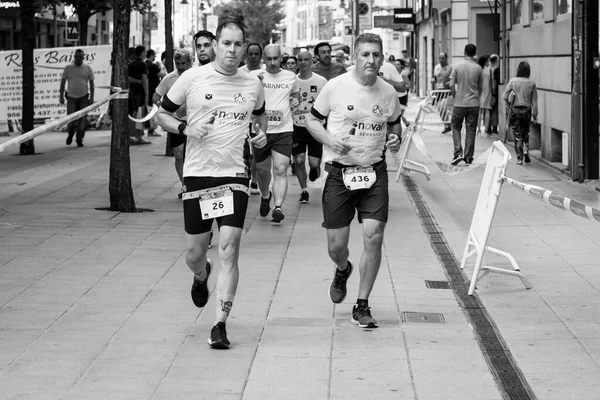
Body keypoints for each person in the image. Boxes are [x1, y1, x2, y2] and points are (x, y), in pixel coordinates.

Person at [155, 18, 268, 350]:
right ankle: (201, 273)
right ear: (216, 45)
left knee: (230, 250)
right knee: (194, 253)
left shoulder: (252, 84)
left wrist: (259, 133)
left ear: (245, 49)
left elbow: (259, 117)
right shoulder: (192, 78)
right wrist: (183, 129)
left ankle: (219, 324)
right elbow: (162, 114)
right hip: (198, 175)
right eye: (227, 44)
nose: (233, 51)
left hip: (234, 175)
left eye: (239, 45)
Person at [305, 33, 402, 329]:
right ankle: (342, 268)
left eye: (376, 55)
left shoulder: (388, 93)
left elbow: (395, 123)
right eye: (365, 54)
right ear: (354, 58)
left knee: (374, 235)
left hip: (374, 172)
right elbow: (311, 120)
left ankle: (362, 304)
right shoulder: (335, 87)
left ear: (382, 59)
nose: (371, 60)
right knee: (337, 246)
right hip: (339, 173)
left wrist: (396, 138)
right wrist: (329, 140)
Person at [252, 44, 301, 223]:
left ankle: (278, 207)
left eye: (276, 58)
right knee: (262, 171)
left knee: (280, 170)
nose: (272, 63)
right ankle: (266, 196)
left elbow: (296, 96)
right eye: (268, 59)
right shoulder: (254, 76)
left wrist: (295, 102)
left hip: (284, 130)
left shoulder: (290, 77)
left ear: (282, 57)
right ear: (263, 59)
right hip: (260, 131)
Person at [152, 49, 193, 198]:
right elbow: (156, 95)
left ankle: (195, 185)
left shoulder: (196, 75)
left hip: (195, 122)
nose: (180, 66)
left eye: (183, 63)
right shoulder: (169, 78)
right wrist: (162, 107)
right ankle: (185, 187)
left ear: (190, 62)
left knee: (193, 156)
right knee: (179, 155)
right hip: (176, 123)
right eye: (178, 63)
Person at [292, 50, 328, 204]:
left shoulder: (321, 81)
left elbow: (328, 103)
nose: (303, 63)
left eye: (306, 60)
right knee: (299, 160)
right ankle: (304, 190)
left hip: (315, 126)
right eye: (300, 60)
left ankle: (314, 169)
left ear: (312, 61)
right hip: (296, 125)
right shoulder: (291, 80)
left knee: (313, 162)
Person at [448, 43, 483, 166]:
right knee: (471, 129)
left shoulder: (457, 66)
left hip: (459, 102)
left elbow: (451, 84)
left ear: (464, 52)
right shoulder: (478, 68)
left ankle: (458, 152)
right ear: (474, 53)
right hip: (474, 103)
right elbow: (481, 87)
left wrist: (455, 95)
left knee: (456, 127)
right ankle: (468, 157)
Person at [238, 43, 263, 195]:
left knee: (256, 152)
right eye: (250, 54)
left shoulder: (266, 73)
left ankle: (254, 180)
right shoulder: (239, 72)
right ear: (246, 55)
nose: (253, 57)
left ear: (260, 56)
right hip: (242, 118)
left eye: (256, 54)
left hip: (259, 118)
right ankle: (244, 179)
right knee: (245, 152)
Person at [503, 61, 538, 165]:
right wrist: (535, 115)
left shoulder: (513, 81)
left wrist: (509, 102)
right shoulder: (532, 83)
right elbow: (534, 101)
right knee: (525, 132)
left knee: (517, 134)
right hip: (527, 111)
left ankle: (519, 157)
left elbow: (505, 96)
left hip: (515, 110)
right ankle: (526, 150)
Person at [59, 48, 94, 147]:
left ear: (83, 58)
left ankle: (79, 139)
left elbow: (91, 84)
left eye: (80, 57)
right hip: (71, 98)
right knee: (71, 121)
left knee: (82, 121)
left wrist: (92, 97)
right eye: (77, 57)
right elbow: (62, 83)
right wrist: (61, 96)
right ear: (74, 57)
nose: (78, 59)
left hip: (84, 98)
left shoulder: (87, 68)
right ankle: (70, 134)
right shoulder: (68, 68)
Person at [128, 45, 151, 145]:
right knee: (140, 115)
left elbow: (127, 78)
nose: (145, 53)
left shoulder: (131, 64)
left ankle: (132, 135)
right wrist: (147, 93)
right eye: (144, 52)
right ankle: (138, 137)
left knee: (134, 113)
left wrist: (136, 81)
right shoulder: (143, 65)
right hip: (140, 92)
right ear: (142, 53)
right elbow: (144, 79)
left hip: (131, 92)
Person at [432, 52, 452, 133]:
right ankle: (447, 125)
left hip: (447, 92)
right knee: (440, 109)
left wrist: (448, 83)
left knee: (443, 108)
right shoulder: (437, 67)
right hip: (439, 91)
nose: (441, 60)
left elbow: (452, 80)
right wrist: (433, 81)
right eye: (440, 58)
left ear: (446, 58)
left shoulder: (450, 68)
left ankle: (449, 124)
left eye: (443, 58)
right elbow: (435, 79)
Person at [145, 49, 164, 137]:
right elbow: (161, 74)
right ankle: (152, 130)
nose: (155, 56)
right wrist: (160, 66)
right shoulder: (153, 66)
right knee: (153, 110)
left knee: (149, 110)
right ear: (151, 55)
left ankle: (151, 129)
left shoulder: (145, 64)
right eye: (154, 55)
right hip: (154, 90)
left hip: (148, 89)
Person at [477, 55, 493, 135]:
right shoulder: (489, 70)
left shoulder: (478, 70)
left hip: (479, 91)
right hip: (488, 91)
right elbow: (491, 82)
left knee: (479, 112)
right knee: (487, 111)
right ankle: (486, 129)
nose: (488, 62)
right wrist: (493, 93)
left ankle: (478, 129)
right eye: (487, 61)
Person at [489, 54, 500, 134]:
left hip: (488, 92)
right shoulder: (496, 70)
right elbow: (494, 82)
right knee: (494, 111)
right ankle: (494, 127)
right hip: (494, 92)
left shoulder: (487, 69)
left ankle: (488, 126)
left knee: (488, 110)